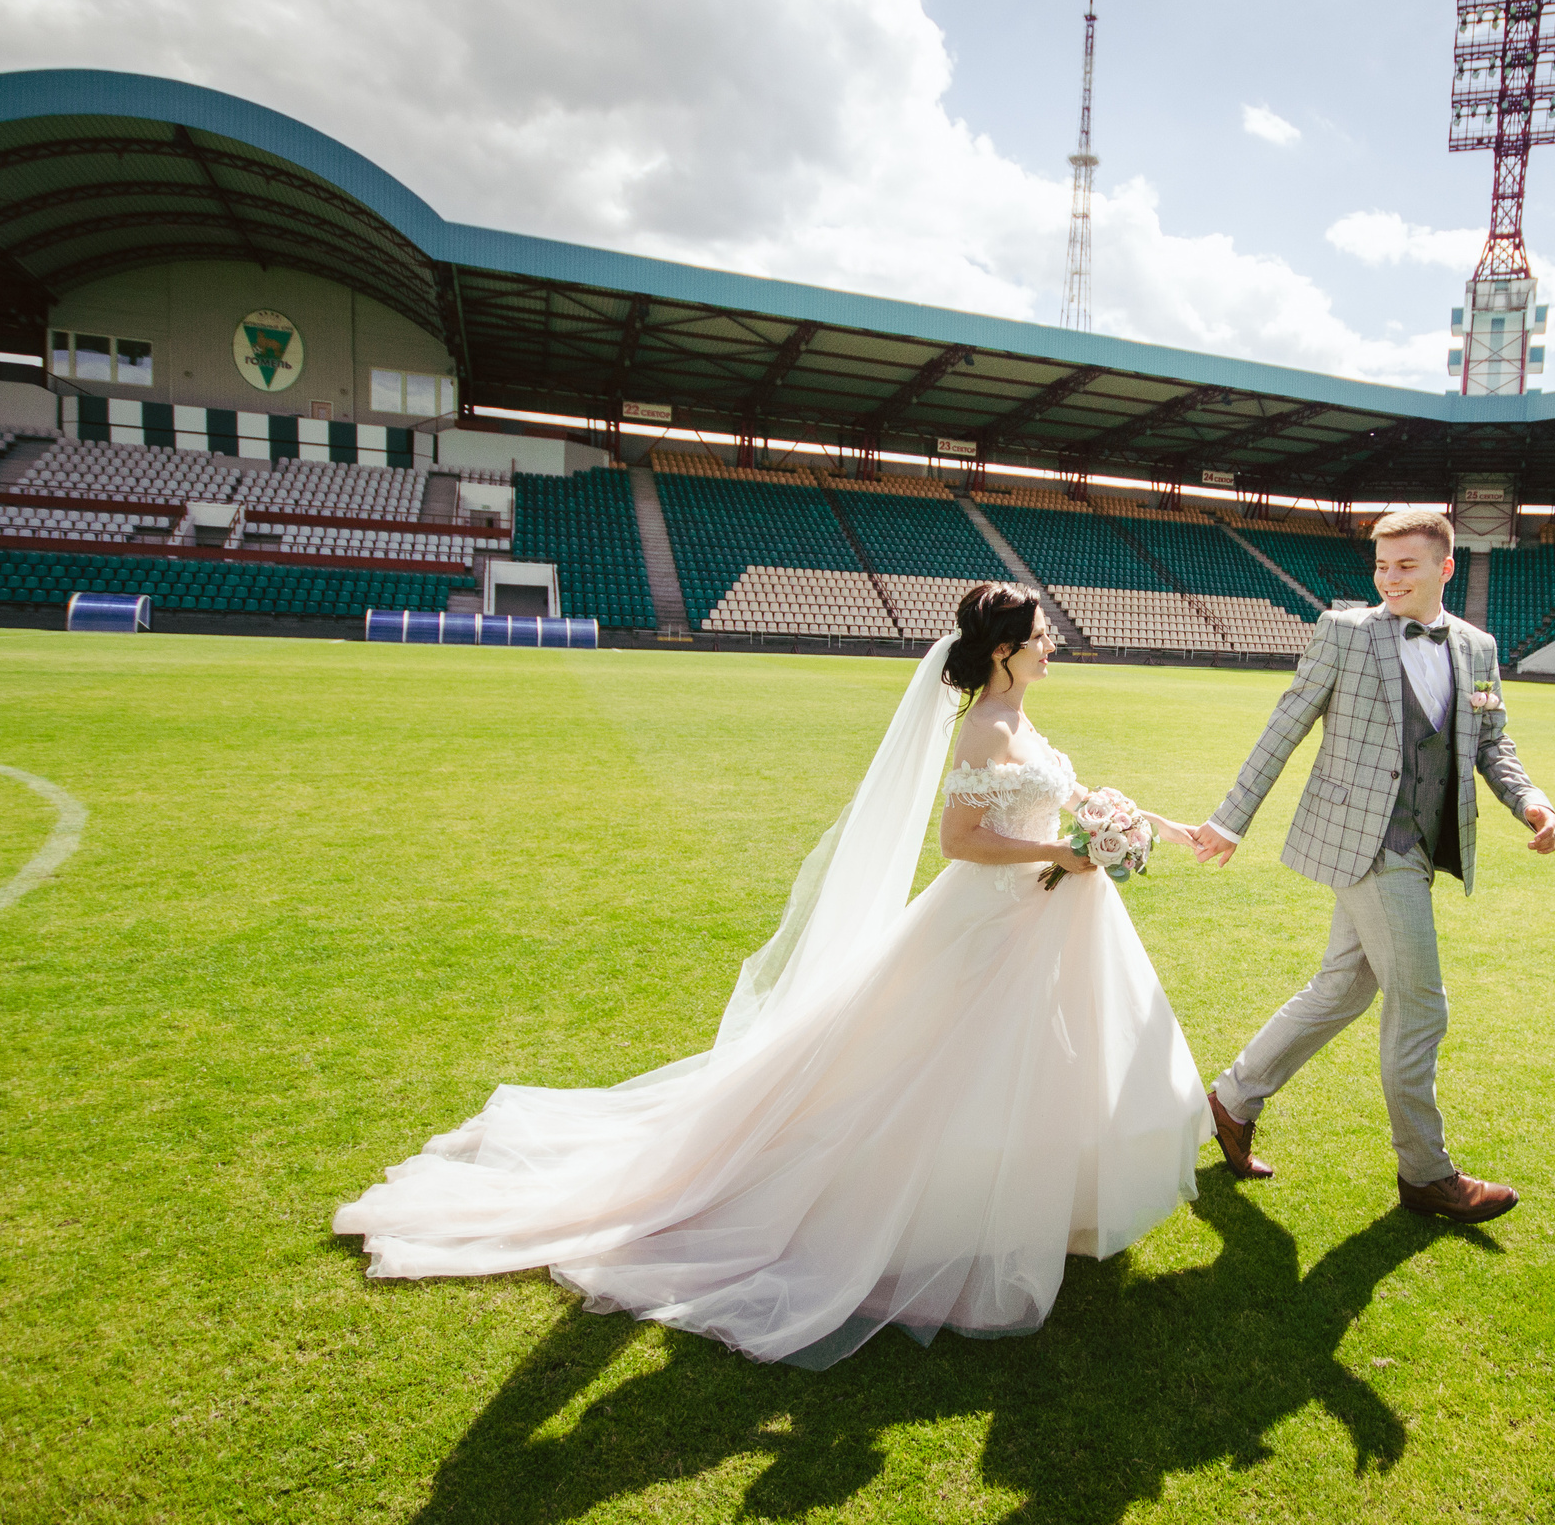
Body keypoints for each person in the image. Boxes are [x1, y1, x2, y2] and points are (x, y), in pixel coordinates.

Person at [334, 583, 1214, 1367]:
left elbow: (1066, 793)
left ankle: (1046, 1205)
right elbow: (959, 844)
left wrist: (1141, 826)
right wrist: (1063, 849)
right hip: (994, 917)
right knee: (945, 1066)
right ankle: (938, 1214)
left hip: (1045, 911)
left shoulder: (1019, 720)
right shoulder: (985, 727)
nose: (1052, 641)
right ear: (1002, 650)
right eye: (1040, 633)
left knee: (1047, 1061)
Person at [1192, 509, 1555, 1224]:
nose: (1389, 578)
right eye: (1382, 566)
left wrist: (1532, 803)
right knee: (1421, 1004)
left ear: (1444, 569)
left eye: (1406, 566)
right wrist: (1230, 819)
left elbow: (1492, 743)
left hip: (1424, 846)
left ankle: (1231, 1102)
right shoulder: (1345, 632)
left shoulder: (1478, 648)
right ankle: (1426, 1173)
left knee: (1343, 988)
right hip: (1365, 843)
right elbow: (1286, 723)